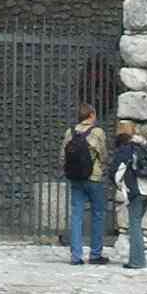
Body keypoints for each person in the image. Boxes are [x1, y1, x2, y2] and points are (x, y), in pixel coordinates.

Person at [62, 102, 108, 265]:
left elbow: (63, 156)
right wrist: (101, 168)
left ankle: (76, 256)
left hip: (76, 178)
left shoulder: (70, 132)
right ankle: (95, 254)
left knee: (76, 216)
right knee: (98, 214)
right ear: (91, 115)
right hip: (93, 177)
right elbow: (103, 155)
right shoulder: (97, 132)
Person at [110, 121, 147, 271]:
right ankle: (137, 258)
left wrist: (120, 185)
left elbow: (116, 172)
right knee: (136, 224)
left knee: (134, 225)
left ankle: (137, 261)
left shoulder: (125, 150)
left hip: (136, 190)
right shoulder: (144, 147)